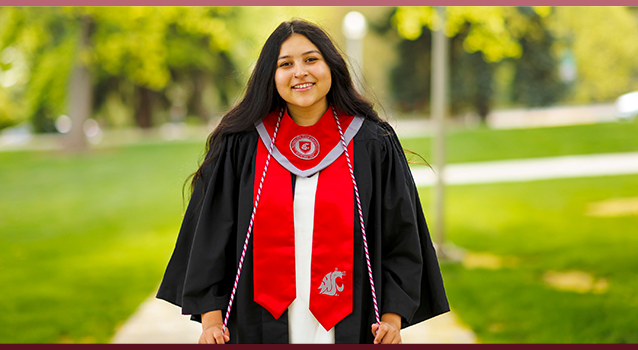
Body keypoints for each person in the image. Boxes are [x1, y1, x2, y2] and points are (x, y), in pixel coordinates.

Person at [156, 19, 448, 344]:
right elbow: (211, 234)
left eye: (311, 59)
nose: (300, 72)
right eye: (285, 64)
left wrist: (392, 318)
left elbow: (401, 235)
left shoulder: (371, 144)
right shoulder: (242, 146)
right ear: (271, 75)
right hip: (260, 320)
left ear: (331, 66)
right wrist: (211, 320)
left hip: (354, 320)